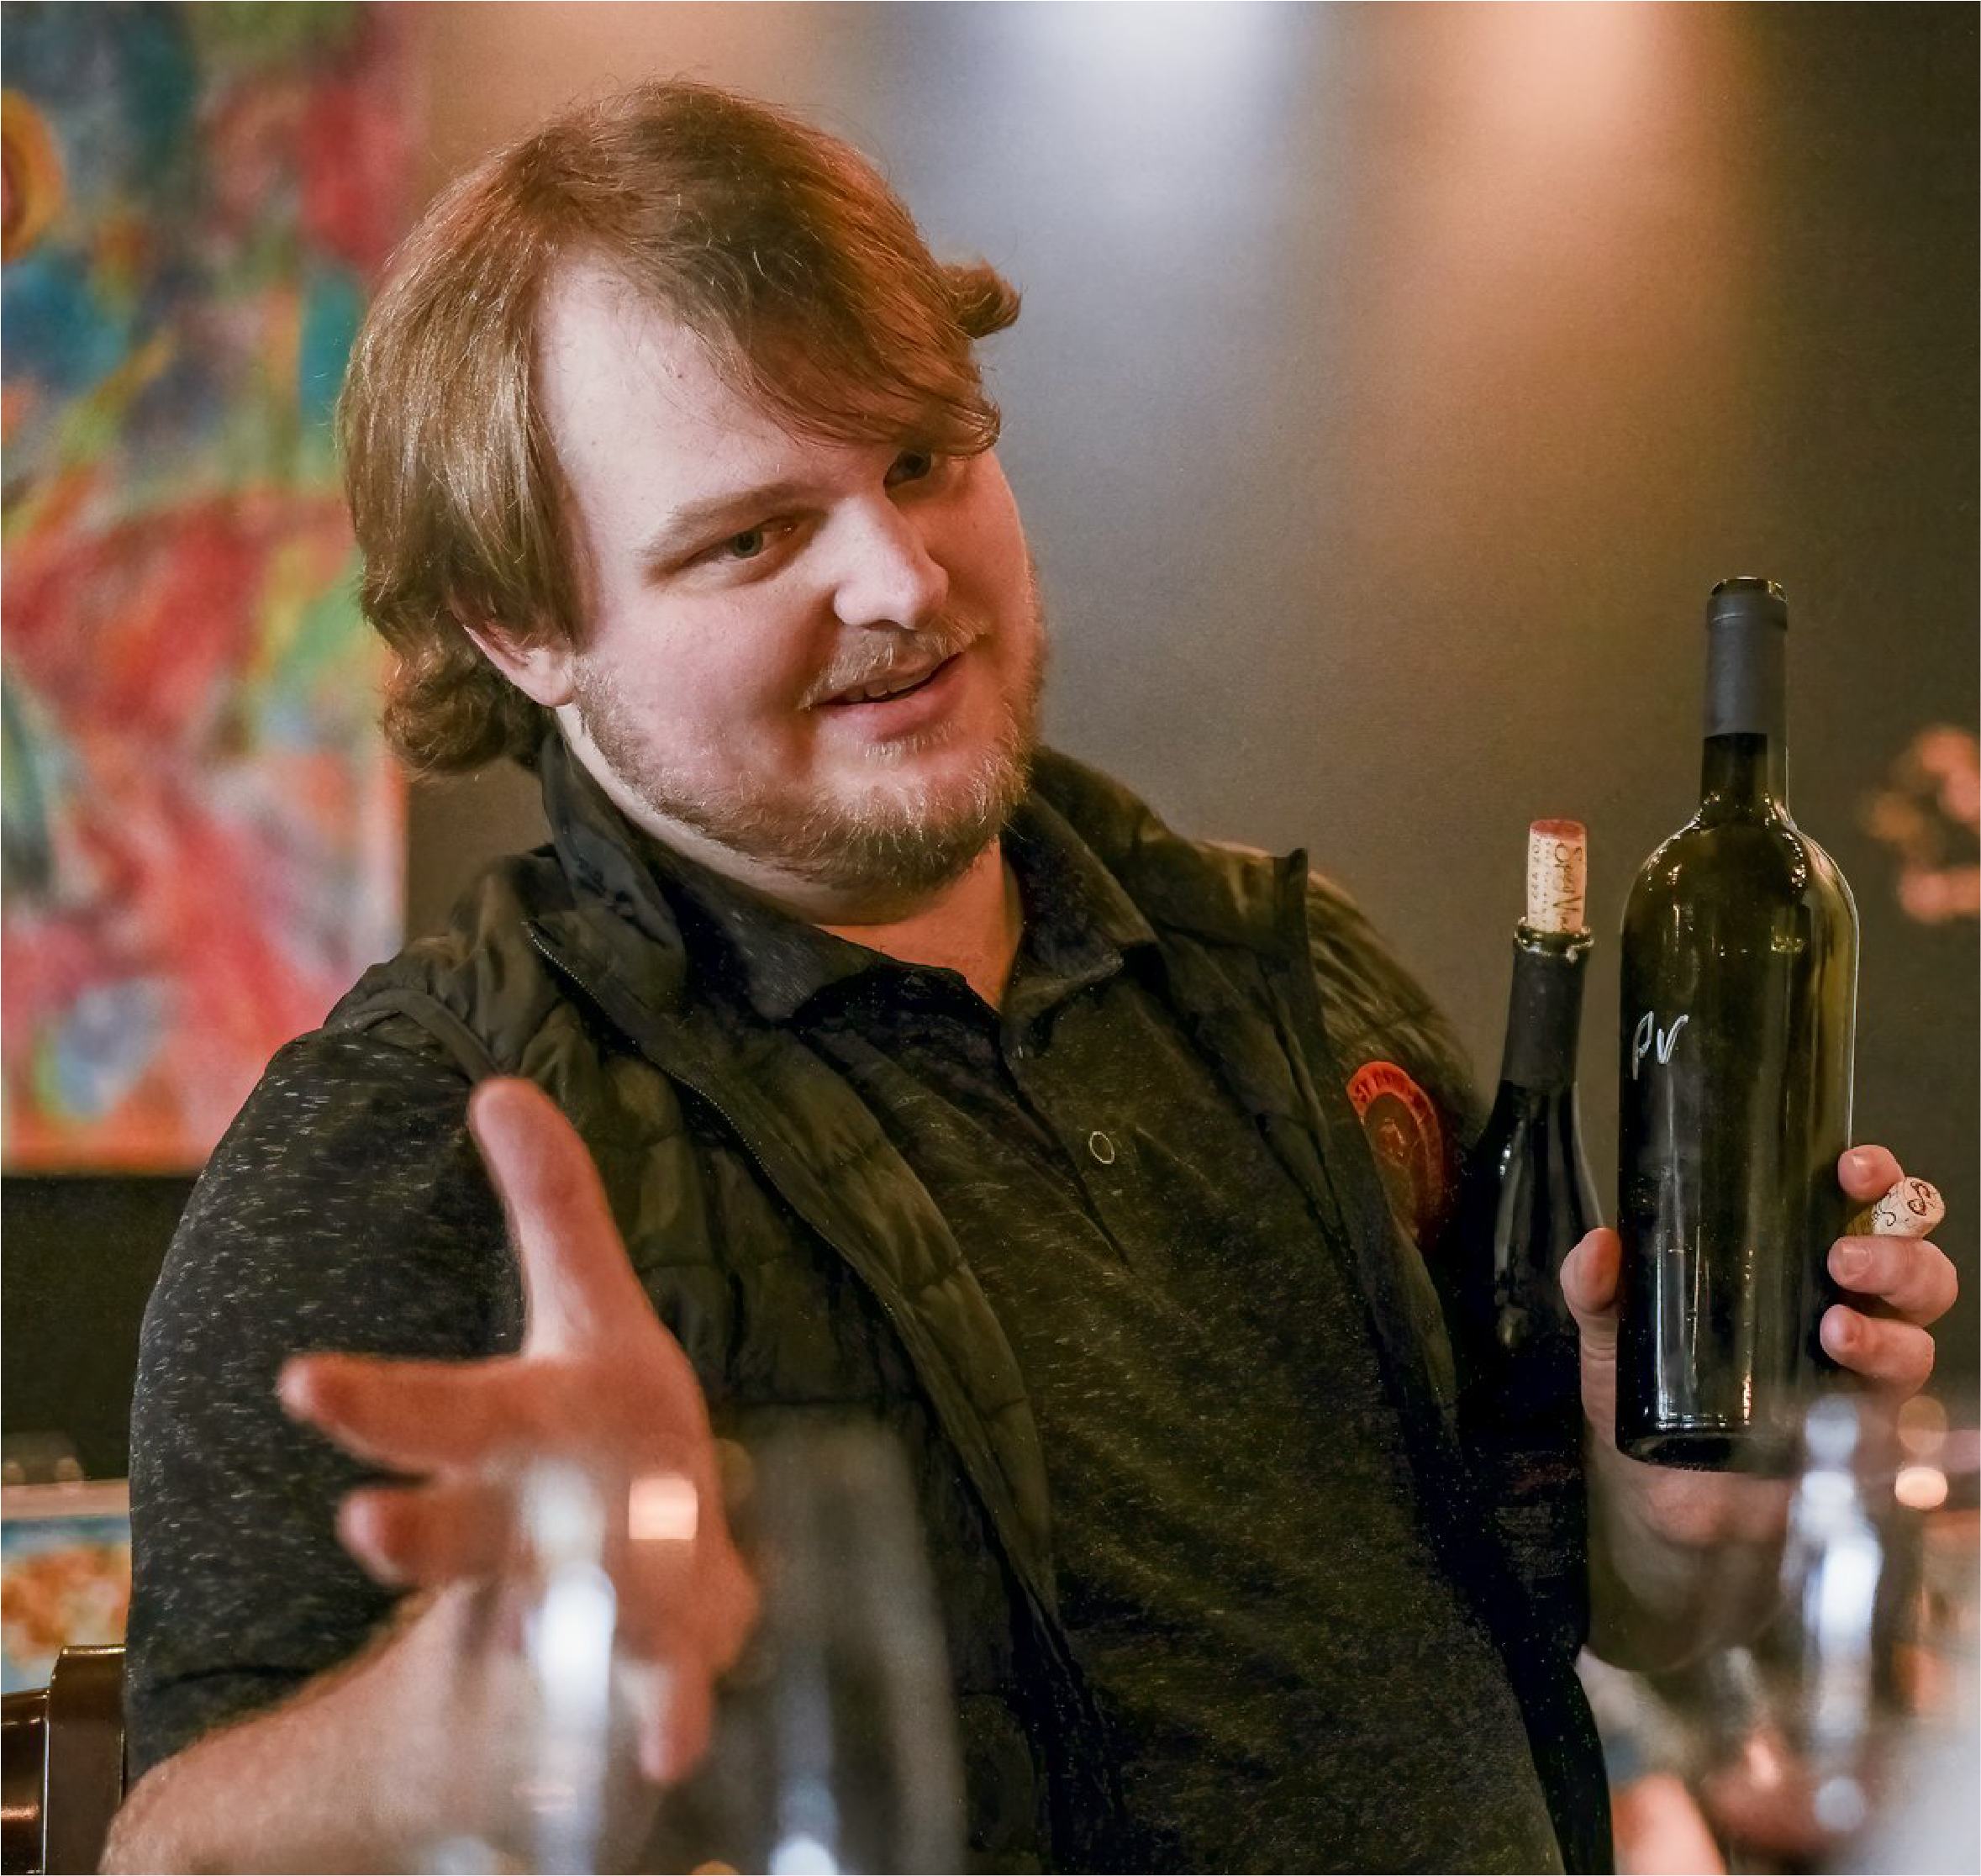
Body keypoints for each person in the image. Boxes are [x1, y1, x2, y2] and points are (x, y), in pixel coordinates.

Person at [104, 80, 1957, 1875]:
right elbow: (166, 1848)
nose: (901, 582)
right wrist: (461, 1730)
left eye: (923, 460)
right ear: (523, 629)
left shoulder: (1288, 977)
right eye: (753, 537)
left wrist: (1673, 1496)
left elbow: (1593, 1607)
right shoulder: (407, 1138)